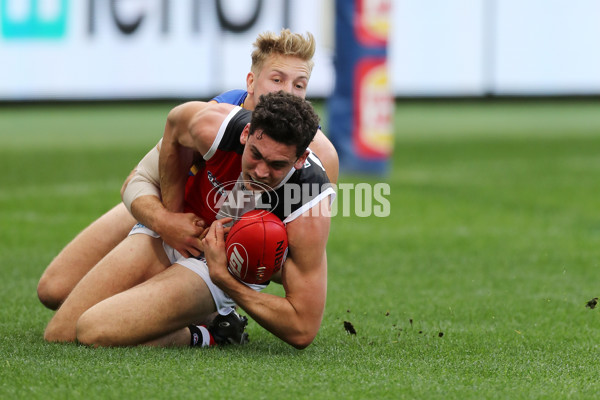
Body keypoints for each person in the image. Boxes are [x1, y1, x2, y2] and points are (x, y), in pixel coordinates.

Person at [36, 29, 339, 310]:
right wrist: (167, 221)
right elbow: (137, 182)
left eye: (299, 86)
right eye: (277, 80)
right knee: (54, 291)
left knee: (106, 318)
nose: (287, 92)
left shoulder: (319, 156)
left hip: (218, 258)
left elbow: (297, 257)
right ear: (251, 82)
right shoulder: (215, 118)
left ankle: (212, 322)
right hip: (177, 208)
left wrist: (248, 247)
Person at [43, 91, 334, 349]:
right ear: (246, 133)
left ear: (300, 159)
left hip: (218, 268)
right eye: (255, 155)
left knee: (93, 329)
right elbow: (174, 122)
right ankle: (196, 317)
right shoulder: (216, 126)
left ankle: (207, 334)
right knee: (60, 335)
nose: (260, 171)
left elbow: (302, 328)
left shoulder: (309, 199)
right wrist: (170, 217)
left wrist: (225, 278)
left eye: (277, 165)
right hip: (183, 229)